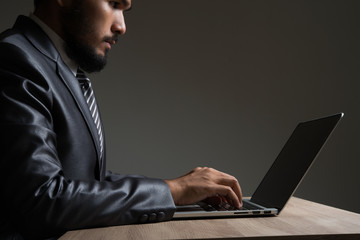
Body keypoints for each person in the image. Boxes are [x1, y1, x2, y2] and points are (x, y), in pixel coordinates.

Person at [0, 0, 242, 239]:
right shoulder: (15, 58)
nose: (121, 26)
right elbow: (43, 198)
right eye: (114, 4)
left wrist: (182, 188)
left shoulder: (57, 66)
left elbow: (83, 180)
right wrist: (174, 190)